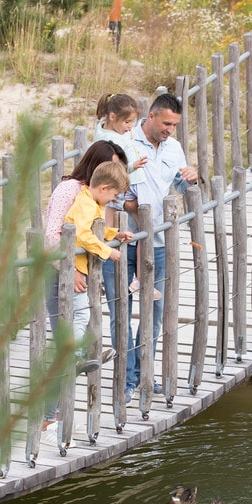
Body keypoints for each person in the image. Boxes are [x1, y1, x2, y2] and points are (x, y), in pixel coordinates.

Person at [102, 93, 199, 406]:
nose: (170, 129)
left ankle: (145, 375)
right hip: (121, 239)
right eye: (166, 123)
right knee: (121, 312)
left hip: (157, 242)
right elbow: (105, 188)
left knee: (154, 313)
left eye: (175, 125)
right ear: (152, 116)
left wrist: (191, 178)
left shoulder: (173, 147)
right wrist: (130, 206)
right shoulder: (125, 140)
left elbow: (181, 189)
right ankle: (126, 379)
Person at [42, 141, 128, 430]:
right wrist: (68, 270)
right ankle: (48, 416)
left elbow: (94, 231)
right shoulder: (72, 191)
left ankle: (56, 414)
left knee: (74, 339)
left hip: (79, 271)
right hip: (61, 272)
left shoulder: (90, 198)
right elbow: (53, 236)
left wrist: (114, 234)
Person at [92, 93, 158, 301]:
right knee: (142, 229)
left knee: (117, 229)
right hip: (125, 184)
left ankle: (130, 277)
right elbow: (112, 167)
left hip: (128, 183)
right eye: (127, 122)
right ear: (112, 116)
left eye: (132, 122)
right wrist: (132, 166)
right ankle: (138, 277)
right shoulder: (109, 139)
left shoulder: (107, 130)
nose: (130, 126)